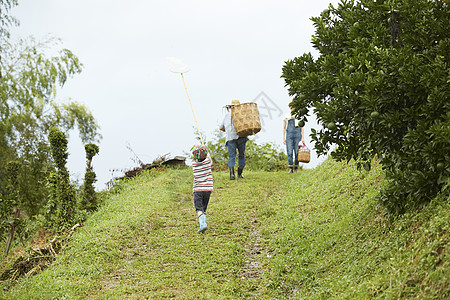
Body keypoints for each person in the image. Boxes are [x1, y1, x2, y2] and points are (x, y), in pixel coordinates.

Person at [219, 99, 249, 180]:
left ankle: (232, 174)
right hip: (241, 137)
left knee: (232, 156)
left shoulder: (227, 115)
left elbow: (221, 127)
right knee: (241, 155)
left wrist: (228, 130)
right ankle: (239, 174)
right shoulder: (242, 115)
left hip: (230, 138)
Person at [191, 145, 213, 233]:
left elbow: (198, 156)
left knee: (199, 208)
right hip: (207, 189)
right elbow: (208, 156)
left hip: (198, 190)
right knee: (204, 207)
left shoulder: (194, 164)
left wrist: (200, 151)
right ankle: (203, 224)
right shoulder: (208, 162)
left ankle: (203, 224)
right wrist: (205, 149)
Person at [283, 103, 305, 173]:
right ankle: (290, 168)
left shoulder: (300, 116)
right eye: (291, 106)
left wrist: (303, 138)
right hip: (289, 135)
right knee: (289, 151)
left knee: (297, 152)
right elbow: (284, 128)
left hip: (297, 135)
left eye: (294, 106)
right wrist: (283, 137)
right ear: (289, 107)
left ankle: (296, 167)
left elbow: (302, 127)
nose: (293, 108)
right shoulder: (286, 116)